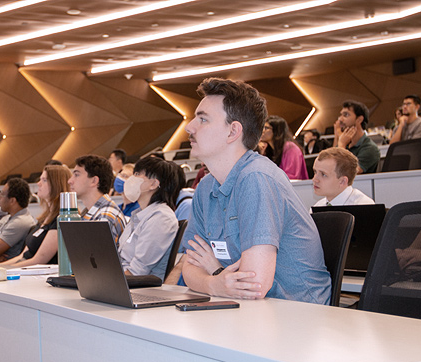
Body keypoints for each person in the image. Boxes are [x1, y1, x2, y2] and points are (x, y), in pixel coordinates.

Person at [180, 77, 330, 304]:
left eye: (203, 119)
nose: (189, 127)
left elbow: (254, 285)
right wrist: (215, 283)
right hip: (250, 311)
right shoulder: (205, 188)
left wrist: (215, 271)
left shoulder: (256, 178)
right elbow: (189, 267)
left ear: (233, 132)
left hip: (299, 316)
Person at [118, 156, 181, 281]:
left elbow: (136, 273)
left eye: (137, 174)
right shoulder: (140, 214)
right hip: (121, 281)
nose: (132, 179)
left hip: (137, 289)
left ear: (153, 184)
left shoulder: (161, 218)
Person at [2, 165, 71, 266]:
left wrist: (4, 270)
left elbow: (39, 260)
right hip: (26, 269)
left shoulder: (62, 218)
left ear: (56, 184)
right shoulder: (44, 218)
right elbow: (22, 256)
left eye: (44, 180)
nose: (38, 184)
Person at [68, 155, 126, 243]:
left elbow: (93, 256)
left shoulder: (105, 217)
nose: (70, 181)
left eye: (76, 175)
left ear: (94, 181)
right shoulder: (92, 212)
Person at [0, 178, 36, 262]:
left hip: (4, 269)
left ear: (12, 200)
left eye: (2, 194)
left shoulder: (20, 222)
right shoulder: (6, 218)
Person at [333, 100, 380, 174]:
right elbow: (331, 167)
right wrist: (338, 138)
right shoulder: (346, 142)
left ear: (359, 119)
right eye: (340, 115)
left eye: (345, 115)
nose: (340, 119)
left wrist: (341, 145)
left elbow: (351, 173)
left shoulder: (370, 148)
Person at [260, 115, 308, 180]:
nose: (262, 131)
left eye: (266, 128)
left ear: (277, 131)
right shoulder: (268, 149)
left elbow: (292, 176)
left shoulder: (291, 148)